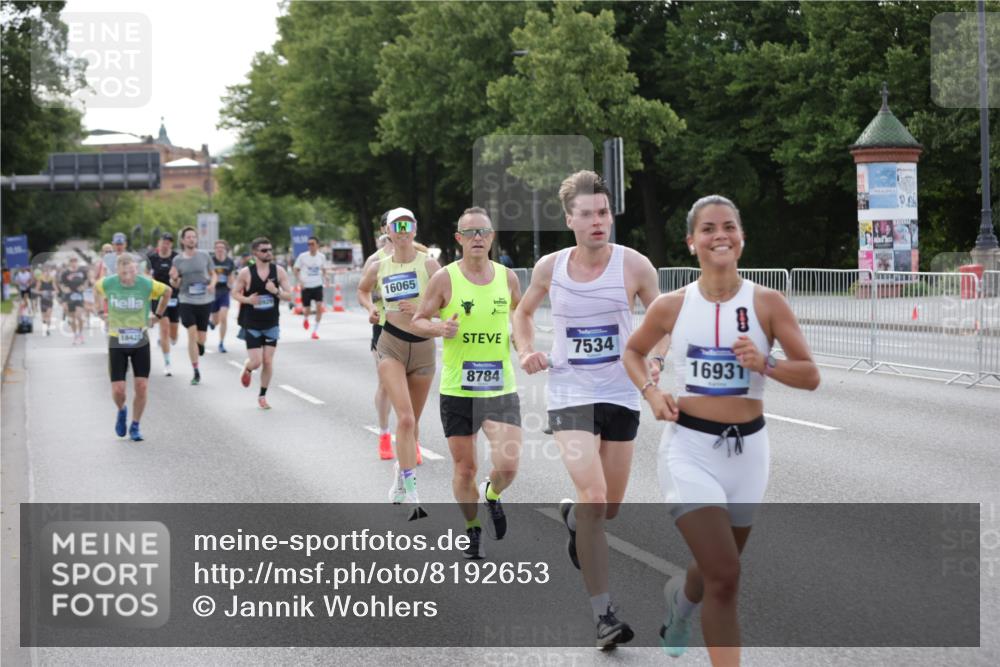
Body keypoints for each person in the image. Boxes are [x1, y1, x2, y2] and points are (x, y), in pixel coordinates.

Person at [623, 195, 820, 666]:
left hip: (749, 453)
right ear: (691, 242)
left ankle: (680, 603)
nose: (720, 236)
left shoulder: (767, 303)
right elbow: (633, 352)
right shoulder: (672, 306)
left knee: (718, 569)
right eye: (708, 229)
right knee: (727, 574)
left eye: (729, 227)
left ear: (742, 237)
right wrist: (652, 394)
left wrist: (766, 363)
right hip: (688, 449)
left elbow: (810, 374)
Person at [512, 170, 666, 650]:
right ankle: (604, 616)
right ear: (569, 219)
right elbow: (522, 313)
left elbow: (661, 319)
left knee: (608, 507)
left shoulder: (636, 265)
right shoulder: (549, 268)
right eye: (588, 215)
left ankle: (575, 520)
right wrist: (524, 350)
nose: (599, 221)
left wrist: (656, 360)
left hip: (620, 393)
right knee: (595, 495)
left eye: (604, 212)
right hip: (569, 392)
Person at [411, 207, 523, 559]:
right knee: (465, 468)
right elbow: (418, 319)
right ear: (458, 239)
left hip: (500, 387)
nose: (477, 238)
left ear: (492, 237)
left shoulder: (508, 278)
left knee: (508, 465)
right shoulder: (444, 278)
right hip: (459, 389)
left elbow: (521, 320)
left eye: (483, 232)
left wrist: (525, 344)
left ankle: (491, 494)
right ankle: (473, 528)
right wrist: (439, 328)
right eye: (470, 232)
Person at [358, 207, 441, 520]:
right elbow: (363, 290)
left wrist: (421, 306)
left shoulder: (430, 264)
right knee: (404, 419)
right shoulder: (379, 265)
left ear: (415, 229)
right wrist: (370, 309)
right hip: (390, 343)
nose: (403, 230)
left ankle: (399, 473)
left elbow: (448, 298)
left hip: (423, 348)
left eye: (408, 225)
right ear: (388, 232)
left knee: (413, 424)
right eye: (397, 225)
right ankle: (412, 490)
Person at [94, 253, 171, 442]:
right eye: (123, 272)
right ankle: (121, 410)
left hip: (140, 340)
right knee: (119, 389)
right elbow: (95, 290)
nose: (127, 276)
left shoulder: (145, 284)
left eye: (130, 271)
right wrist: (100, 312)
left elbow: (167, 291)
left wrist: (158, 315)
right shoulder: (109, 283)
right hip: (117, 340)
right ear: (118, 271)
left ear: (135, 270)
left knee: (141, 386)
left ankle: (135, 425)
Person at [232, 237, 293, 409]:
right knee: (256, 361)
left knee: (267, 361)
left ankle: (262, 396)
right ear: (255, 253)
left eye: (270, 249)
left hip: (272, 323)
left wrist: (276, 291)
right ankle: (248, 368)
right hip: (251, 323)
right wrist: (248, 300)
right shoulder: (246, 273)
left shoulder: (279, 271)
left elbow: (290, 295)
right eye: (264, 250)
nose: (269, 253)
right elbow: (235, 293)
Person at [169, 226, 216, 385]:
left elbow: (213, 274)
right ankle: (195, 371)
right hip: (186, 299)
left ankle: (200, 346)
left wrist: (212, 285)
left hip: (204, 300)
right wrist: (174, 279)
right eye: (188, 237)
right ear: (182, 240)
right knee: (192, 333)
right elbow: (174, 283)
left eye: (193, 237)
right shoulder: (177, 260)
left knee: (201, 339)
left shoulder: (204, 256)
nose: (191, 239)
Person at [147, 233, 179, 375]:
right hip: (158, 297)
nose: (165, 244)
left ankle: (167, 340)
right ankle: (167, 363)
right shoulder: (151, 257)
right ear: (159, 243)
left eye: (168, 242)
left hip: (175, 297)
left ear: (171, 244)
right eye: (163, 242)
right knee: (164, 329)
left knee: (174, 336)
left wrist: (176, 280)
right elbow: (146, 274)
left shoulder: (176, 258)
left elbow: (180, 277)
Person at [293, 236, 329, 340]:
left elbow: (323, 269)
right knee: (307, 309)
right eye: (308, 244)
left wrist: (326, 277)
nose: (310, 246)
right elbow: (295, 269)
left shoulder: (321, 257)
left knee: (319, 307)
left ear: (317, 245)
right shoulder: (302, 256)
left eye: (312, 244)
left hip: (317, 285)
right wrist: (300, 281)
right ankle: (305, 318)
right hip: (306, 286)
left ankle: (314, 331)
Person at [210, 239, 237, 352]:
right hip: (213, 292)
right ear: (215, 250)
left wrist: (232, 285)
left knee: (223, 318)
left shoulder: (229, 262)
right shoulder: (211, 261)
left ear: (226, 250)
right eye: (218, 248)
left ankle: (221, 343)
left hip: (224, 292)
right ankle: (211, 322)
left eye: (222, 248)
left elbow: (231, 276)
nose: (220, 249)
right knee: (216, 321)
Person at [58, 257, 90, 345]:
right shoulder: (65, 273)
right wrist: (64, 289)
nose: (74, 263)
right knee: (72, 318)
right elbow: (61, 283)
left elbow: (87, 281)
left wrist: (84, 287)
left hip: (79, 295)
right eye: (72, 261)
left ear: (77, 262)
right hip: (69, 297)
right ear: (69, 263)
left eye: (75, 261)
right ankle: (75, 335)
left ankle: (80, 333)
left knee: (79, 316)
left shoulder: (82, 271)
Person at [35, 265, 58, 336]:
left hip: (50, 299)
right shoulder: (40, 280)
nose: (47, 273)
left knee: (49, 315)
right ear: (43, 272)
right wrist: (42, 292)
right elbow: (36, 290)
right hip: (43, 300)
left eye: (48, 271)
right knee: (44, 317)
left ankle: (48, 329)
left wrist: (54, 292)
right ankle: (44, 323)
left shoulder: (52, 279)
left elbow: (57, 290)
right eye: (45, 272)